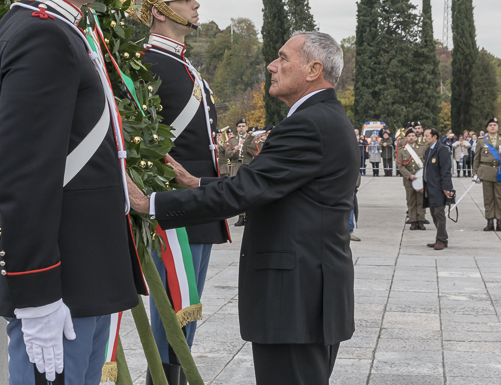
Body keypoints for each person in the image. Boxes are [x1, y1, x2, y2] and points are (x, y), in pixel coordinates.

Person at [0, 0, 146, 382]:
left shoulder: (61, 29)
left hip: (83, 272)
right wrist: (37, 292)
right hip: (61, 282)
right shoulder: (41, 34)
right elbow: (25, 176)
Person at [130, 31, 355, 385]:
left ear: (313, 69)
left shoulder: (308, 124)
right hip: (305, 298)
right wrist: (198, 182)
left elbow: (245, 192)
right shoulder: (321, 117)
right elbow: (265, 185)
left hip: (295, 302)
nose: (272, 66)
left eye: (283, 58)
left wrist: (150, 203)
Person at [117, 0, 230, 383]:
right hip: (171, 206)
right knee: (173, 314)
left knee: (186, 314)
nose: (196, 4)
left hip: (194, 204)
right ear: (159, 11)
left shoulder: (182, 65)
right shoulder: (147, 64)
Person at [473, 117, 501, 232]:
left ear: (498, 127)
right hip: (486, 171)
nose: (492, 127)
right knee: (488, 198)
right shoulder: (481, 140)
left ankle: (499, 222)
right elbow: (476, 159)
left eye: (494, 125)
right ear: (487, 128)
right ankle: (489, 221)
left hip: (500, 171)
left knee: (499, 198)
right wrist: (475, 173)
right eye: (490, 125)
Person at [423, 128, 454, 250]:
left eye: (427, 136)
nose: (424, 138)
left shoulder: (442, 150)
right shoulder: (428, 151)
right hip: (429, 187)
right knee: (433, 214)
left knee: (439, 213)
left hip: (439, 187)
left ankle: (441, 240)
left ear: (435, 137)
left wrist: (446, 188)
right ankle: (442, 238)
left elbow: (445, 171)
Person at [227, 119, 257, 226]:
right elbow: (227, 154)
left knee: (249, 190)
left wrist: (246, 144)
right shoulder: (232, 140)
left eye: (243, 126)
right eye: (239, 126)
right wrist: (235, 150)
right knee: (238, 191)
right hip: (236, 167)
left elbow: (256, 152)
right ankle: (241, 216)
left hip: (248, 166)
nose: (241, 128)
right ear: (236, 128)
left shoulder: (252, 138)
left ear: (247, 127)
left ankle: (250, 215)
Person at [397, 128, 426, 230]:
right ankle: (413, 221)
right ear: (406, 138)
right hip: (408, 179)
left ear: (415, 137)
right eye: (409, 136)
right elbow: (400, 166)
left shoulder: (422, 148)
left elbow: (426, 162)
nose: (411, 137)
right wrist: (409, 175)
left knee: (421, 200)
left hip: (420, 178)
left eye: (413, 136)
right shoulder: (402, 150)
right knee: (411, 200)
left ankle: (421, 221)